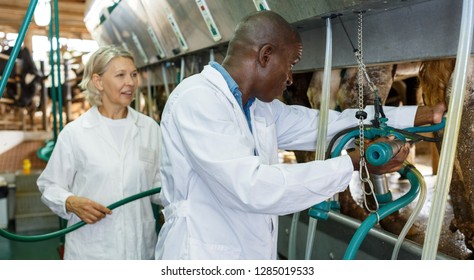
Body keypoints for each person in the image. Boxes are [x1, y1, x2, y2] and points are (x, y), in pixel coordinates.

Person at [155, 10, 446, 260]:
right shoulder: (198, 99)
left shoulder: (259, 110)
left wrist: (415, 116)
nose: (291, 78)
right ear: (266, 55)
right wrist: (352, 164)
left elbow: (329, 125)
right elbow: (253, 187)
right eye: (291, 64)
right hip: (200, 256)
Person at [37, 45, 161, 260]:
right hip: (91, 252)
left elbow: (161, 184)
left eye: (133, 74)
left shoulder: (149, 128)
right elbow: (49, 185)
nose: (130, 82)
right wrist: (70, 202)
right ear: (98, 81)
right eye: (120, 75)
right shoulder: (75, 133)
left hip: (139, 249)